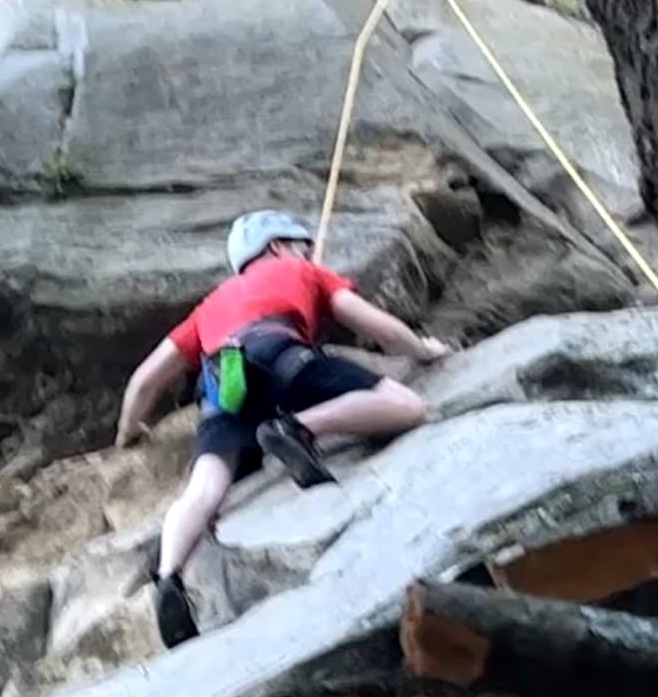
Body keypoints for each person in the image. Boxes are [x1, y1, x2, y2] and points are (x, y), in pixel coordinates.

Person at [115, 208, 452, 649]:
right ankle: (298, 428)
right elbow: (377, 326)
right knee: (406, 406)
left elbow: (146, 379)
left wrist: (128, 435)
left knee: (203, 491)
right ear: (277, 247)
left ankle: (168, 577)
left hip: (222, 382)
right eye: (299, 244)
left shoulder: (210, 305)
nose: (306, 251)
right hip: (279, 352)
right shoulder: (301, 270)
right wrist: (423, 349)